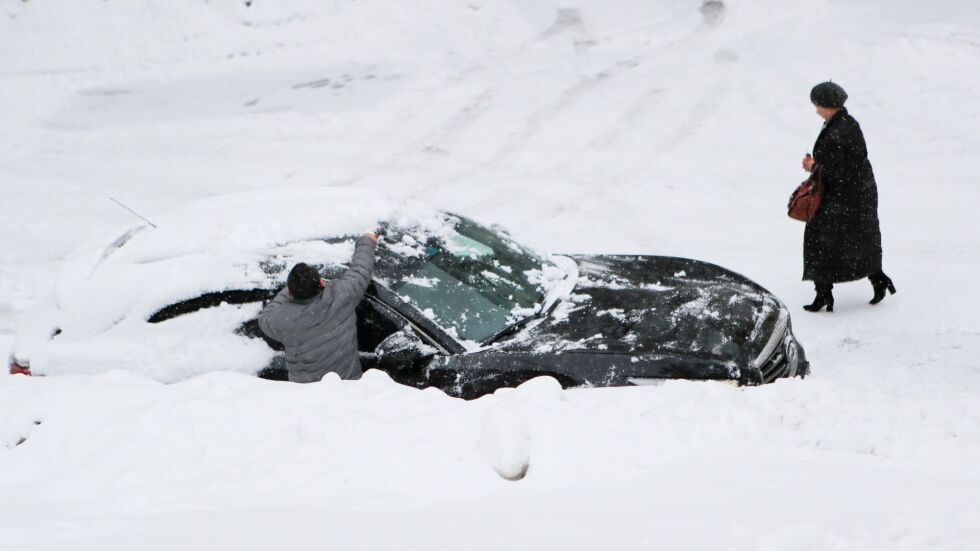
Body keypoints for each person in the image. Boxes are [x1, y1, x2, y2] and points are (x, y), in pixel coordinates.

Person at [800, 81, 896, 312]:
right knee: (859, 241)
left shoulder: (838, 131)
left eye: (818, 105)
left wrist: (813, 166)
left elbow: (839, 171)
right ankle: (877, 280)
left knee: (820, 243)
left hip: (843, 198)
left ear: (828, 105)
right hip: (856, 196)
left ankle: (824, 295)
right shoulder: (845, 124)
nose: (816, 110)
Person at [258, 232, 379, 382]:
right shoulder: (341, 295)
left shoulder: (283, 321)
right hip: (348, 389)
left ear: (290, 292)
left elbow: (265, 318)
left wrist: (289, 290)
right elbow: (361, 270)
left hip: (310, 398)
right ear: (322, 283)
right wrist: (367, 240)